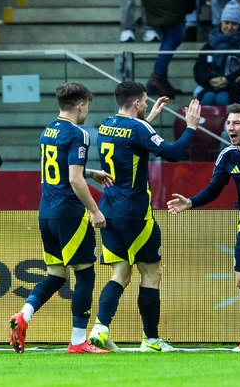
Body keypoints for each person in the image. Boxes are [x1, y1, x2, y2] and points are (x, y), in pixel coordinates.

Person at [88, 82, 201, 353]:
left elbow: (130, 142)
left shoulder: (106, 124)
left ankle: (100, 328)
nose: (148, 104)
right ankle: (151, 341)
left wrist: (148, 122)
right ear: (137, 103)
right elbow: (172, 154)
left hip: (109, 210)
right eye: (146, 101)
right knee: (152, 273)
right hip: (136, 213)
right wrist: (192, 127)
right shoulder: (139, 128)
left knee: (120, 273)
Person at [9, 83, 114, 355]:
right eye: (87, 106)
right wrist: (94, 210)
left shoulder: (48, 130)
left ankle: (23, 315)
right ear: (81, 104)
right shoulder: (78, 133)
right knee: (85, 274)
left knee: (56, 275)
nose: (87, 111)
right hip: (70, 214)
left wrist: (91, 172)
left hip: (46, 212)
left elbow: (62, 168)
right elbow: (73, 178)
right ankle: (78, 341)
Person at [167, 103, 240, 352]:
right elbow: (214, 189)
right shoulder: (228, 155)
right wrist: (190, 202)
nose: (231, 128)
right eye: (229, 123)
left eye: (237, 123)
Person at [193, 1, 240, 106]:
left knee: (222, 98)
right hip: (211, 86)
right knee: (207, 98)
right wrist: (209, 81)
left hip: (235, 87)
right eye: (226, 23)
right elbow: (199, 68)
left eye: (234, 24)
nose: (229, 27)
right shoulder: (210, 44)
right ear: (221, 23)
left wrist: (228, 80)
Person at [142, 0, 186, 98]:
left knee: (168, 36)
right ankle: (157, 76)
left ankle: (162, 78)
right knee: (174, 37)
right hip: (169, 0)